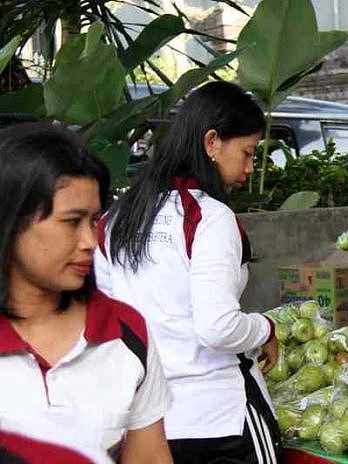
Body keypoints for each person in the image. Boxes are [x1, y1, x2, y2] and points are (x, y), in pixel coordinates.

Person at [94, 81, 281, 464]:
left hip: (147, 427)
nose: (250, 167)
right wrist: (266, 327)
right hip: (220, 422)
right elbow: (218, 327)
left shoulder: (116, 220)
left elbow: (104, 322)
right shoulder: (210, 217)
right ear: (212, 142)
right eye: (247, 153)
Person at [0, 123, 172, 463]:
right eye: (71, 221)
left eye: (93, 220)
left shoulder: (126, 332)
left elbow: (149, 457)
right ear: (11, 221)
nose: (90, 242)